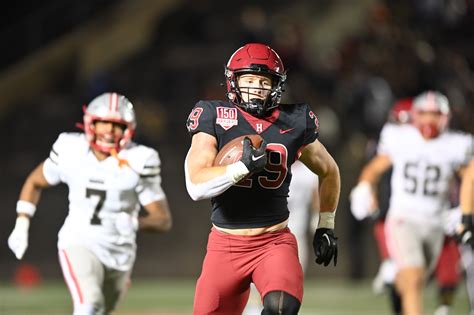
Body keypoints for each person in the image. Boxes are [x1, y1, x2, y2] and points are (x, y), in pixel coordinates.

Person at [185, 43, 340, 315]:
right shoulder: (214, 116)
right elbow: (195, 185)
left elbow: (329, 171)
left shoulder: (295, 120)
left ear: (276, 86)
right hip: (225, 246)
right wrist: (240, 168)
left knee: (282, 308)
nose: (256, 87)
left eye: (263, 81)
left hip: (273, 241)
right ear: (233, 82)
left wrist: (325, 224)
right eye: (249, 80)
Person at [7, 92, 172, 315]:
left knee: (102, 309)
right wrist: (22, 222)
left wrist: (135, 223)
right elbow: (35, 181)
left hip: (120, 253)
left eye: (116, 125)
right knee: (89, 303)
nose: (109, 131)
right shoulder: (70, 148)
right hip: (79, 241)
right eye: (103, 123)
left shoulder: (140, 159)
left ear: (128, 129)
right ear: (89, 123)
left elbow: (162, 220)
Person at [350, 90, 473, 315]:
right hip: (403, 218)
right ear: (415, 115)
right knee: (414, 278)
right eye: (424, 113)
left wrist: (465, 210)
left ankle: (396, 284)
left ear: (445, 116)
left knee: (413, 280)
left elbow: (469, 177)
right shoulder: (402, 138)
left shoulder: (455, 143)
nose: (429, 119)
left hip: (436, 222)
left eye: (435, 114)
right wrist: (364, 186)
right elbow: (374, 168)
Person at [243, 160, 319, 314]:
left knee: (292, 279)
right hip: (270, 230)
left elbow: (316, 195)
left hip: (296, 231)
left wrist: (317, 217)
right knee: (259, 278)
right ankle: (254, 308)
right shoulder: (273, 164)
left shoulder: (308, 172)